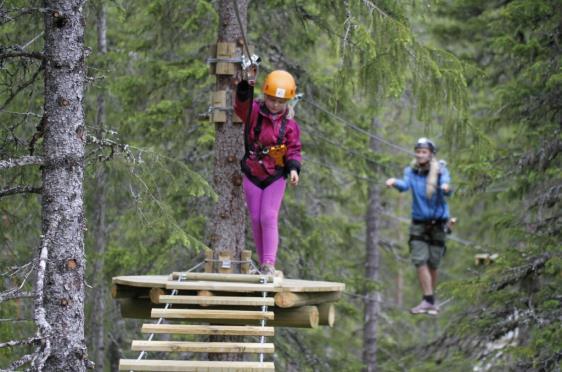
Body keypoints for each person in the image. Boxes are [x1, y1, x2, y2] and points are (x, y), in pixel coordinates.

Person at [234, 70, 302, 275]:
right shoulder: (253, 112)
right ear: (265, 96)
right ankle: (263, 264)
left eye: (280, 101)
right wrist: (245, 87)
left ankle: (269, 263)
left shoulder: (289, 125)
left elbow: (294, 149)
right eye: (272, 99)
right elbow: (241, 107)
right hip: (253, 171)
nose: (275, 105)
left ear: (288, 101)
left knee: (268, 216)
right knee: (255, 218)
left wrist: (293, 169)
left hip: (275, 174)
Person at [385, 138, 452, 315]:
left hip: (438, 224)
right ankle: (428, 300)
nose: (420, 155)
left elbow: (448, 185)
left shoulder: (440, 171)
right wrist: (394, 182)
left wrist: (445, 187)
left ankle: (430, 301)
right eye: (418, 151)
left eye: (424, 152)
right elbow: (405, 185)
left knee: (433, 263)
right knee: (419, 260)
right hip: (419, 223)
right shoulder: (411, 171)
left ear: (431, 154)